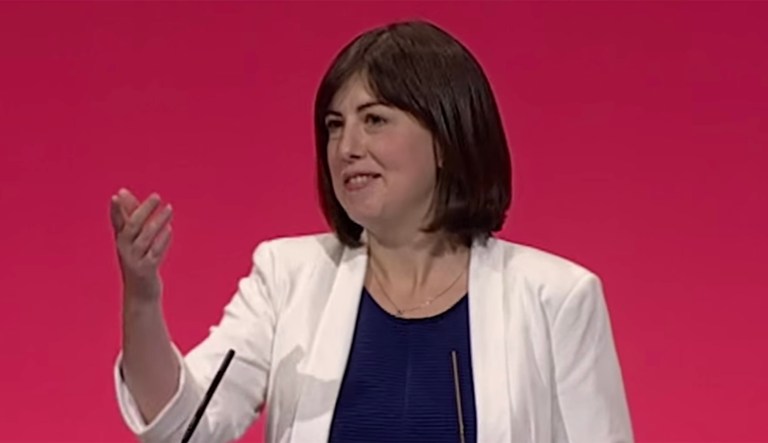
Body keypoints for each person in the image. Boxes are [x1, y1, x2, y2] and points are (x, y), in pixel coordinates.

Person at [110, 20, 634, 443]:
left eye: (375, 119)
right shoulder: (289, 278)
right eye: (335, 125)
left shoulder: (556, 297)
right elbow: (183, 427)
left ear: (447, 137)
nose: (346, 147)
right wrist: (142, 297)